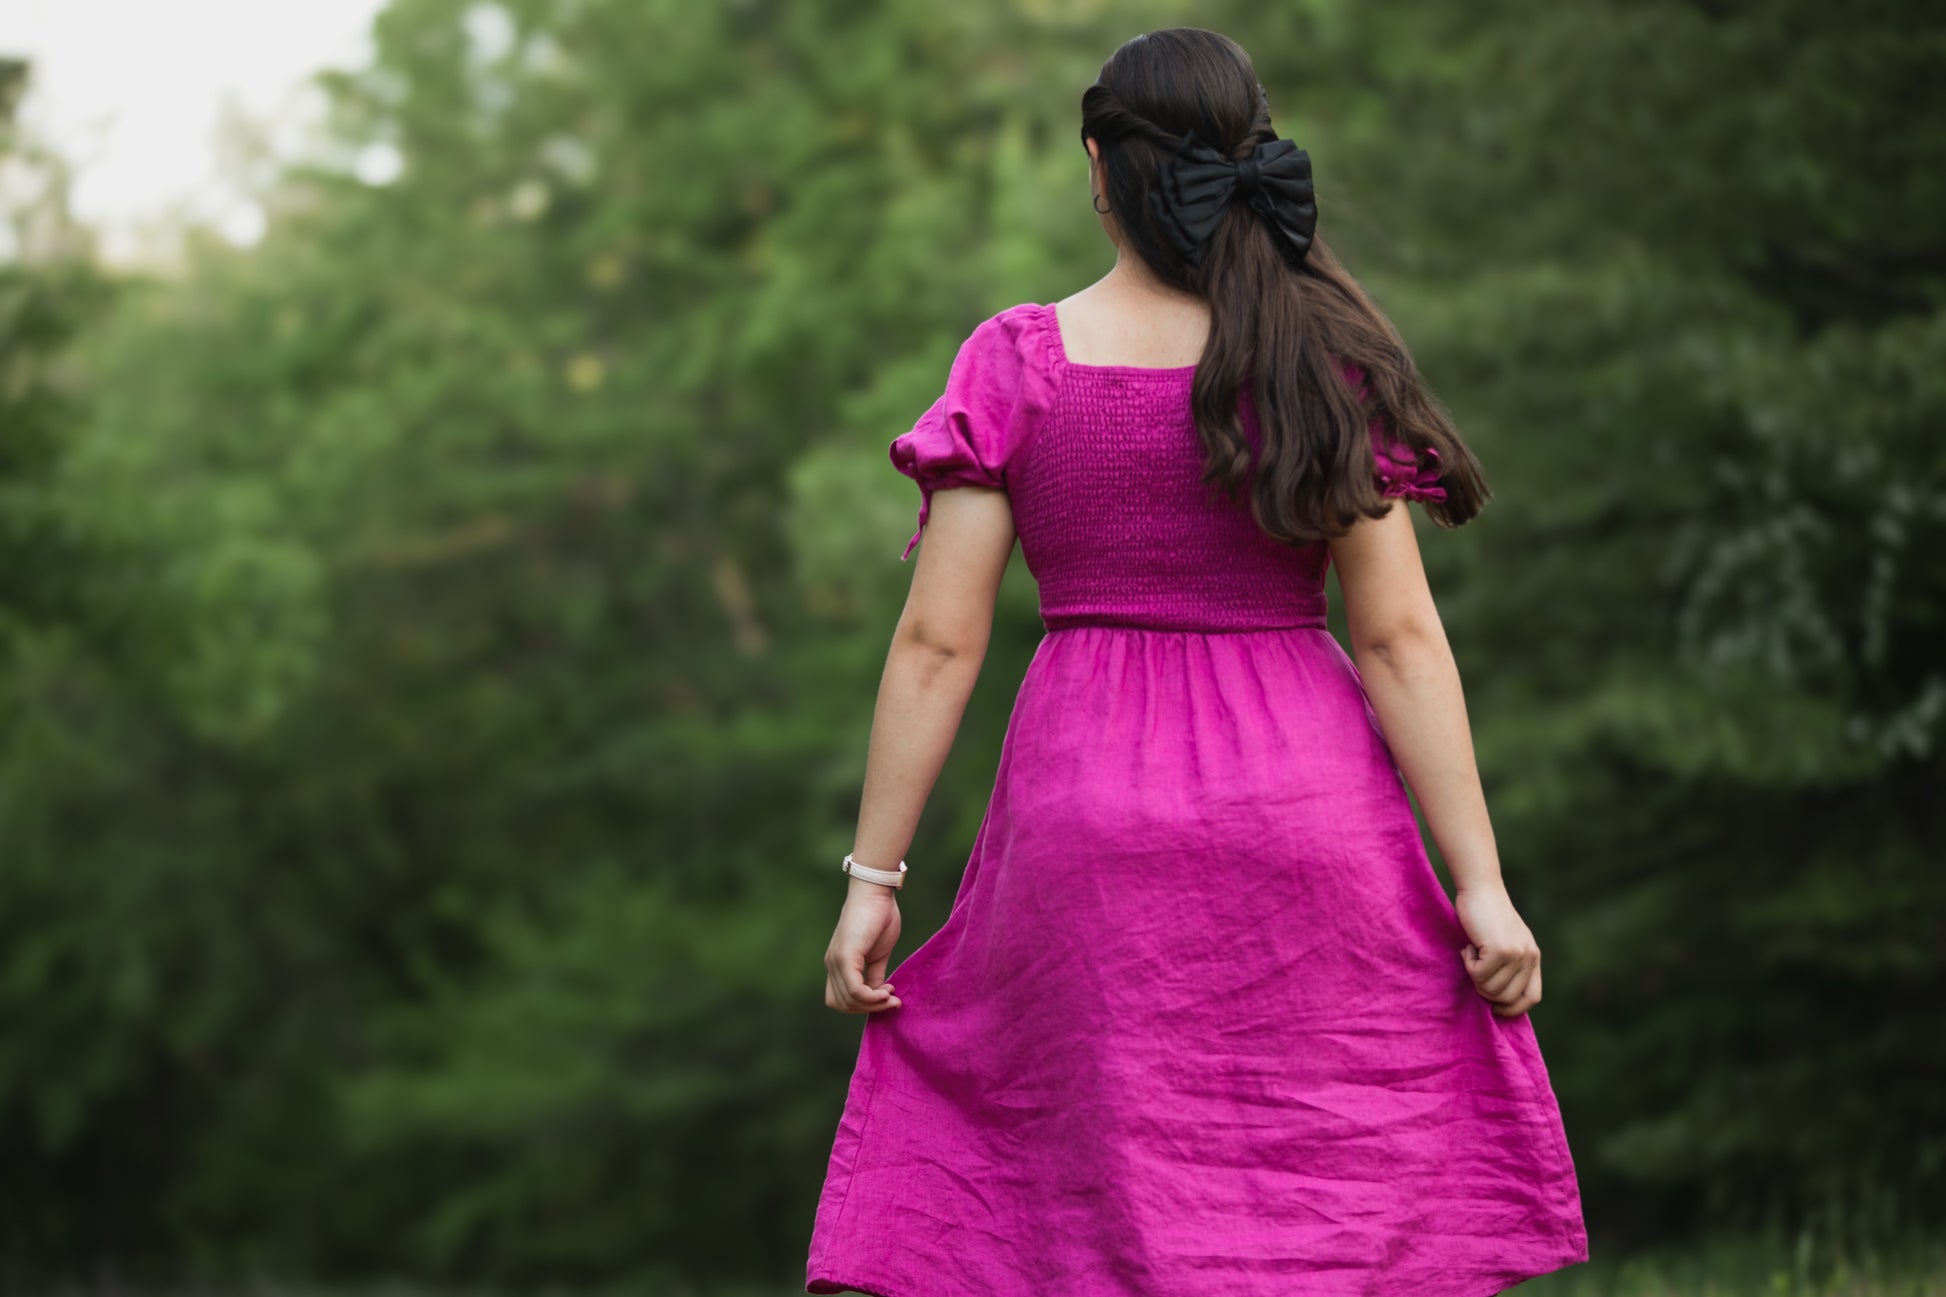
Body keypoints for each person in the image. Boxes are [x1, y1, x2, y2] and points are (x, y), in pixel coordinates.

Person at [806, 26, 1589, 1297]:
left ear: (1099, 170)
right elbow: (1396, 638)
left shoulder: (1017, 360)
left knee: (1098, 1191)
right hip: (1304, 811)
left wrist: (872, 878)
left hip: (1086, 817)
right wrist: (1481, 885)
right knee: (1324, 1168)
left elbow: (938, 643)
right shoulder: (1319, 359)